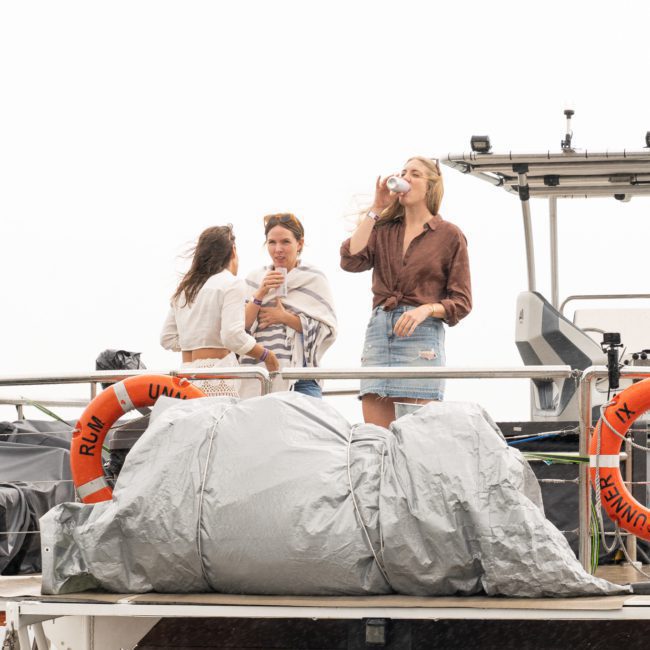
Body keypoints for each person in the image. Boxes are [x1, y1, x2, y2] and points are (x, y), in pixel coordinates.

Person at [340, 156, 472, 428]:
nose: (406, 178)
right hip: (379, 334)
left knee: (417, 439)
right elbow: (350, 259)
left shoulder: (449, 235)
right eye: (404, 172)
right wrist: (376, 209)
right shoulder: (384, 229)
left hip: (420, 337)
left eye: (415, 174)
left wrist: (426, 309)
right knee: (376, 438)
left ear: (431, 187)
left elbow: (462, 301)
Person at [161, 225, 279, 397]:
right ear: (233, 251)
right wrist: (267, 356)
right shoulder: (231, 283)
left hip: (186, 374)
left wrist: (197, 340)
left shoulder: (186, 288)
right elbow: (232, 336)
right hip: (216, 376)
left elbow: (167, 339)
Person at [242, 213, 337, 397]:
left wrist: (284, 317)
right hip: (260, 377)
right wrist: (261, 292)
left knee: (309, 425)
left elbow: (327, 328)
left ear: (299, 244)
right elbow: (240, 327)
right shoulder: (254, 278)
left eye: (285, 242)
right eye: (272, 242)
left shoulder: (313, 278)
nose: (278, 249)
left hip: (302, 377)